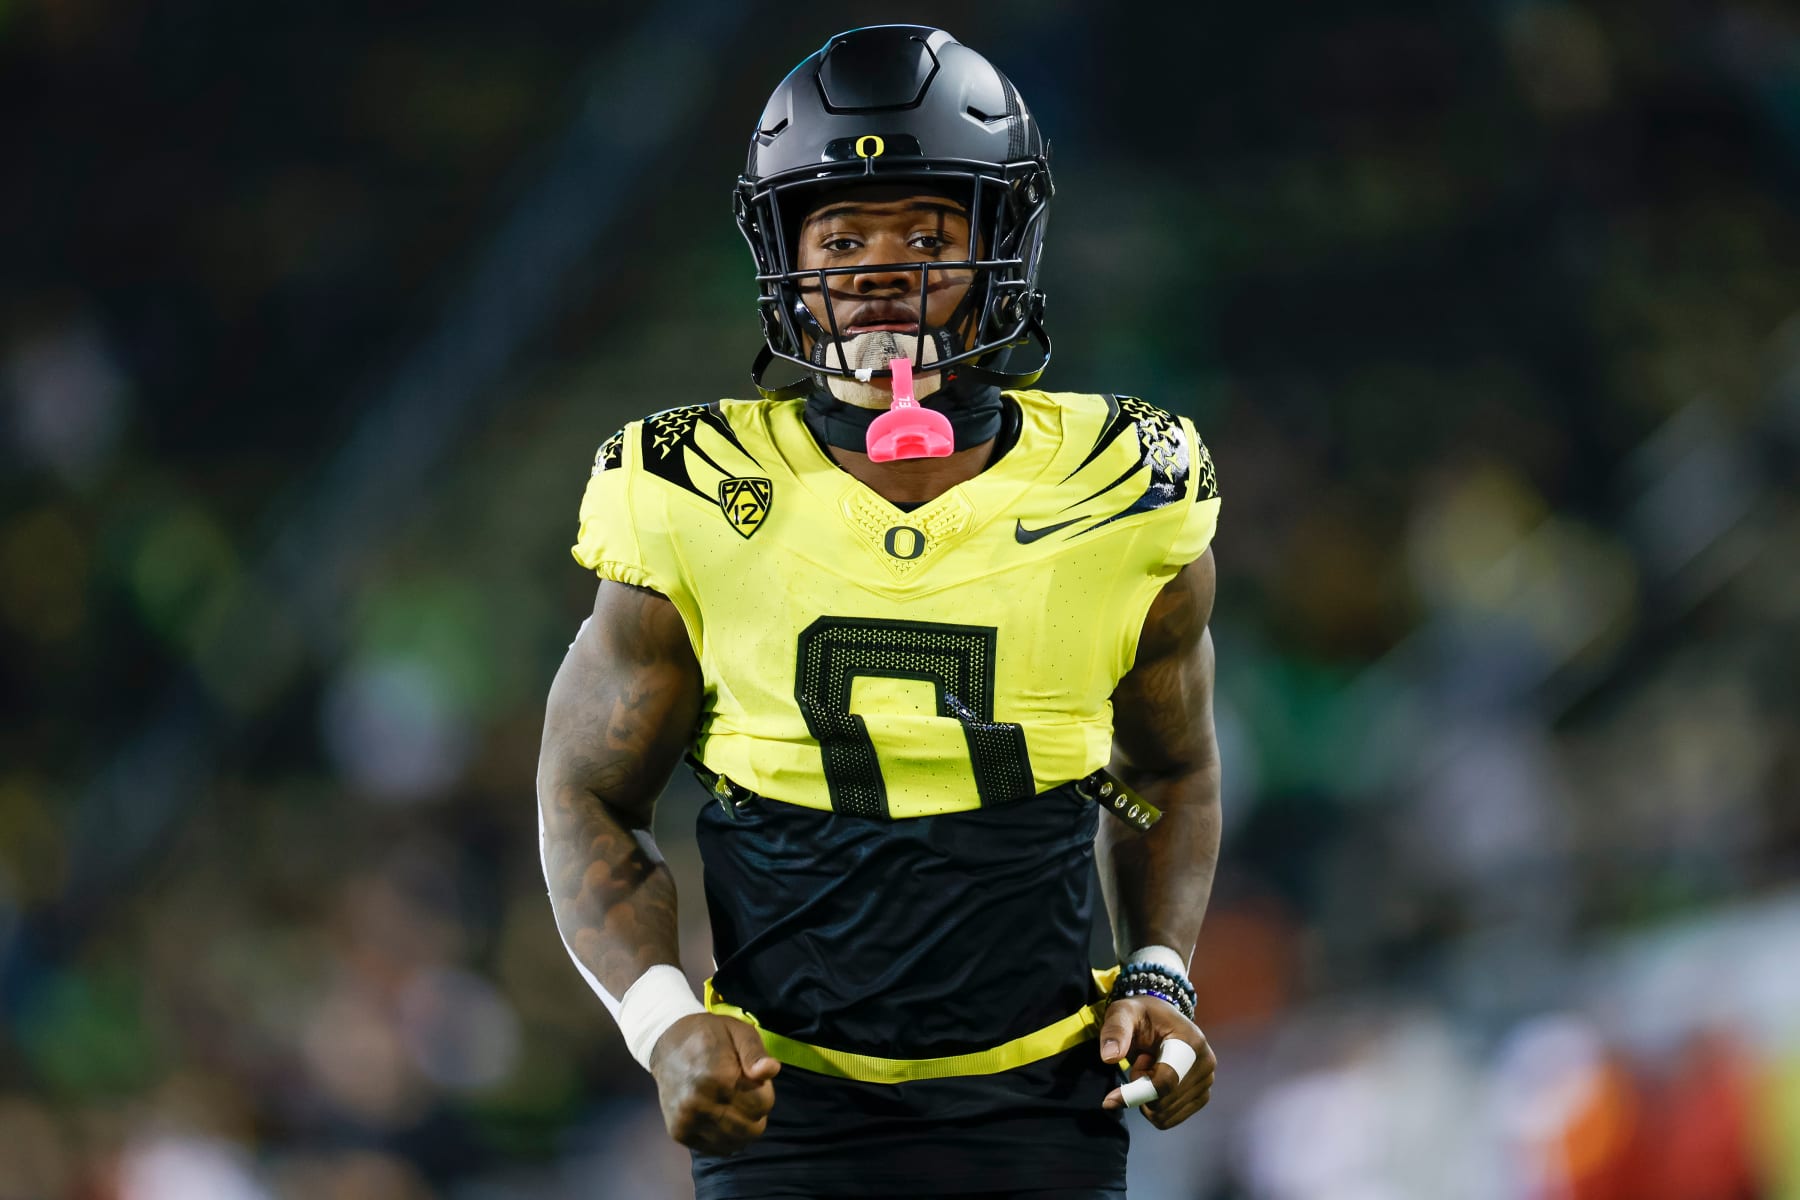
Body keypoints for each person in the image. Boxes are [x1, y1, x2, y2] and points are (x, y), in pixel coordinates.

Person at [538, 24, 1223, 1200]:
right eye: (841, 233)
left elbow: (1171, 773)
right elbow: (589, 790)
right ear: (780, 252)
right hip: (786, 1113)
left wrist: (1159, 979)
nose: (875, 268)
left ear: (1001, 241)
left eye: (925, 231)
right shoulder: (684, 488)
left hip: (1043, 1108)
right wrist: (661, 1022)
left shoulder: (1123, 482)